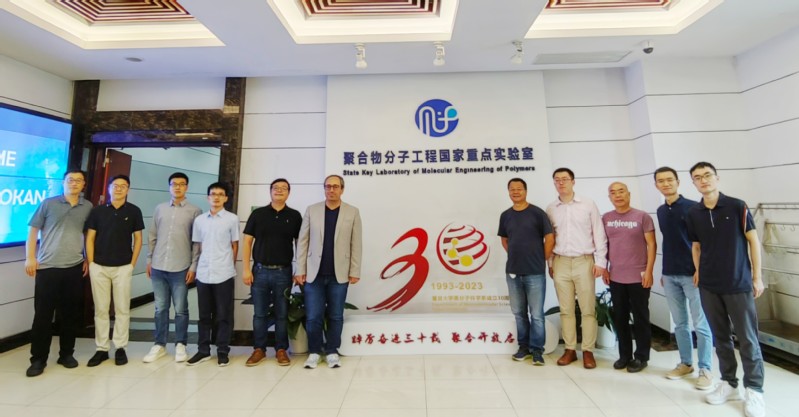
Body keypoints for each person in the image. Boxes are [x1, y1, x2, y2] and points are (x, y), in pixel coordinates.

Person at [685, 162, 765, 417]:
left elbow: (753, 241)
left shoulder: (737, 206)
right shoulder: (694, 213)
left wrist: (757, 277)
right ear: (693, 183)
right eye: (698, 177)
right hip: (709, 285)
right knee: (721, 338)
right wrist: (698, 271)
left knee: (748, 339)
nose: (703, 180)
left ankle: (754, 389)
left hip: (738, 283)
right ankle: (729, 383)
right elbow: (696, 246)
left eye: (707, 175)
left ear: (717, 178)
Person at [24, 169, 93, 377]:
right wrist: (30, 257)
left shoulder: (87, 207)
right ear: (63, 182)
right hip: (47, 267)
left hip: (74, 267)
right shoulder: (48, 203)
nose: (74, 183)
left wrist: (87, 258)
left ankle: (66, 354)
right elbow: (33, 230)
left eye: (79, 180)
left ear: (84, 185)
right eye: (70, 180)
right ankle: (38, 359)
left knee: (70, 315)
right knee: (43, 316)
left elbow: (88, 235)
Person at [654, 166, 714, 389]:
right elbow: (670, 242)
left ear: (678, 182)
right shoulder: (661, 211)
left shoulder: (693, 208)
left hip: (693, 274)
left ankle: (705, 369)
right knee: (680, 323)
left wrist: (700, 270)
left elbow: (703, 242)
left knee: (701, 323)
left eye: (670, 180)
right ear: (656, 185)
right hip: (670, 274)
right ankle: (686, 363)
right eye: (661, 181)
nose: (666, 184)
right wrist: (664, 272)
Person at [295, 174, 362, 369]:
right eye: (328, 186)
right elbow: (303, 241)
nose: (331, 190)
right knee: (313, 316)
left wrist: (355, 270)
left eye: (335, 186)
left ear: (342, 189)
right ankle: (314, 352)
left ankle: (332, 351)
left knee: (335, 316)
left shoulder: (352, 212)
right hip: (313, 274)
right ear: (324, 189)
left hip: (339, 274)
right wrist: (300, 269)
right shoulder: (312, 210)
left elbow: (356, 243)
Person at [546, 167, 607, 369]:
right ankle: (570, 349)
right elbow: (550, 238)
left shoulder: (588, 204)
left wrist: (600, 262)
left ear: (573, 181)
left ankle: (588, 351)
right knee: (566, 310)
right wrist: (550, 263)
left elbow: (599, 233)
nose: (561, 182)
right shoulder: (551, 208)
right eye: (557, 179)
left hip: (584, 261)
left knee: (588, 309)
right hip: (561, 262)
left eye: (565, 179)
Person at [85, 174, 145, 367]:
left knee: (122, 309)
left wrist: (132, 264)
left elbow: (138, 239)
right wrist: (91, 263)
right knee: (101, 309)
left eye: (123, 186)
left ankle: (120, 347)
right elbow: (90, 238)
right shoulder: (98, 211)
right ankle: (101, 348)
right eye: (115, 185)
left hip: (123, 267)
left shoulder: (134, 211)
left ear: (128, 189)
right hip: (99, 266)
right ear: (109, 188)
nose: (119, 189)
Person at [242, 178, 302, 367]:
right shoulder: (258, 214)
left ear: (289, 193)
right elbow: (247, 242)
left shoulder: (294, 216)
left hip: (283, 272)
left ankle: (281, 349)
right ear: (270, 191)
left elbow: (300, 244)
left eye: (284, 188)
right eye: (276, 187)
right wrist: (246, 269)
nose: (279, 190)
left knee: (281, 313)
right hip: (259, 271)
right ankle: (259, 349)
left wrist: (300, 270)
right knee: (259, 313)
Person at [143, 172, 202, 363]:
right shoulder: (160, 209)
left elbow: (196, 243)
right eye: (174, 184)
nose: (177, 187)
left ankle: (180, 344)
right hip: (158, 265)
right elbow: (152, 236)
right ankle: (159, 344)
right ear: (169, 187)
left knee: (180, 309)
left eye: (181, 184)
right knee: (160, 308)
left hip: (181, 266)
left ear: (187, 187)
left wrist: (193, 266)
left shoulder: (195, 211)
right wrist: (149, 260)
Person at [498, 178, 554, 365]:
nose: (515, 192)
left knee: (536, 314)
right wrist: (516, 255)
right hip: (513, 272)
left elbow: (549, 238)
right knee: (519, 313)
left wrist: (541, 258)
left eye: (519, 189)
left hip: (535, 272)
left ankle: (537, 350)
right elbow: (504, 239)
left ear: (526, 191)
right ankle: (523, 347)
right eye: (512, 189)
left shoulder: (537, 213)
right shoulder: (505, 215)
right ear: (508, 192)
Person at [602, 182, 656, 373]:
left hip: (639, 276)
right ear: (609, 197)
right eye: (613, 192)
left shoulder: (642, 217)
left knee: (641, 318)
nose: (617, 195)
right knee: (620, 317)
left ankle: (641, 356)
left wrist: (649, 271)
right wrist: (604, 268)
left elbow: (652, 245)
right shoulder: (606, 218)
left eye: (621, 191)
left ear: (629, 194)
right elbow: (604, 245)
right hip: (616, 276)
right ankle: (624, 355)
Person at [187, 182, 239, 367]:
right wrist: (194, 268)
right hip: (203, 272)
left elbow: (234, 245)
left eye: (220, 194)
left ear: (226, 198)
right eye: (213, 194)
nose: (216, 197)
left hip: (224, 272)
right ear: (207, 197)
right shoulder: (200, 220)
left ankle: (223, 351)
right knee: (204, 315)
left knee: (223, 315)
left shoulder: (232, 219)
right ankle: (203, 350)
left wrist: (229, 265)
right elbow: (198, 246)